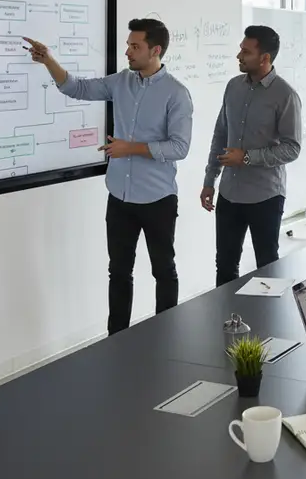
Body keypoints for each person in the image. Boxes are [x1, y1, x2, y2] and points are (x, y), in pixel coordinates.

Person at [22, 18, 192, 335]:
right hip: (120, 198)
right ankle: (117, 340)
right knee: (119, 272)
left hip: (157, 199)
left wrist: (131, 148)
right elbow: (76, 88)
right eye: (128, 45)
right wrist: (48, 61)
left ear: (155, 50)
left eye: (135, 46)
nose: (127, 51)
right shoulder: (120, 82)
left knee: (163, 271)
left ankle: (166, 340)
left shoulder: (176, 93)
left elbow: (180, 147)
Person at [202, 25, 302, 287]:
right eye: (240, 49)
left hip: (265, 196)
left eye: (246, 52)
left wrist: (247, 157)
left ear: (264, 57)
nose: (239, 55)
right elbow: (220, 134)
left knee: (267, 268)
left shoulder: (285, 95)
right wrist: (209, 181)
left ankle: (268, 314)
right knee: (225, 265)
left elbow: (292, 148)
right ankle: (226, 313)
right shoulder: (233, 87)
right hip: (229, 193)